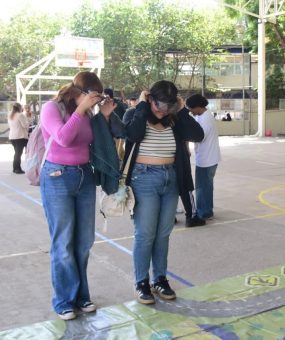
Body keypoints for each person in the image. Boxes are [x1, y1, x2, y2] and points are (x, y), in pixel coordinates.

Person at [39, 71, 116, 321]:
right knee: (63, 244)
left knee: (84, 242)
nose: (95, 101)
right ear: (79, 92)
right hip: (57, 177)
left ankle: (81, 295)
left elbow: (96, 142)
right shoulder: (52, 108)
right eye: (93, 96)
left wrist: (102, 116)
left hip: (84, 176)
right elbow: (62, 138)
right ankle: (63, 300)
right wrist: (81, 110)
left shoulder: (88, 113)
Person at [123, 80, 204, 305]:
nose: (162, 110)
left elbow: (198, 135)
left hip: (171, 179)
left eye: (168, 106)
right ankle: (142, 282)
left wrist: (181, 110)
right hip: (144, 179)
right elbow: (133, 135)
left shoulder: (174, 119)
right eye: (159, 104)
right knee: (145, 233)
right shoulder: (135, 114)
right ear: (149, 98)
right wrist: (141, 106)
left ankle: (160, 278)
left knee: (163, 234)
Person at [185, 94, 221, 220]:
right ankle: (207, 210)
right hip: (207, 157)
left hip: (207, 159)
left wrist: (184, 136)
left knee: (202, 187)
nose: (190, 111)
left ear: (198, 107)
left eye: (191, 109)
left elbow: (199, 137)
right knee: (206, 186)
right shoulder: (203, 116)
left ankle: (204, 213)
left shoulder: (206, 119)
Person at [8, 102, 29, 174]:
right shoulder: (20, 115)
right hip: (20, 136)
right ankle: (17, 169)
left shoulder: (10, 115)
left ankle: (15, 168)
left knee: (17, 153)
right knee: (18, 153)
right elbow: (25, 125)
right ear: (20, 108)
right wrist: (28, 122)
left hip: (12, 136)